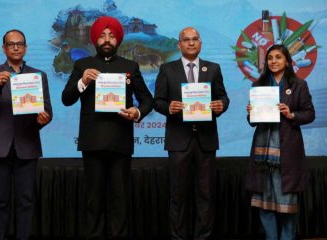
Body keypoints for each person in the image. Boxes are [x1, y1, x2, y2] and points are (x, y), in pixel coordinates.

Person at [61, 16, 153, 240]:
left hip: (120, 141)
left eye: (111, 35)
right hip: (93, 142)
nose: (107, 39)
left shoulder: (129, 66)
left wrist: (137, 112)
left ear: (118, 39)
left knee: (120, 199)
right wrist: (82, 81)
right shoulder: (82, 66)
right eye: (102, 35)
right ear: (95, 40)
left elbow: (147, 100)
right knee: (93, 199)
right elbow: (66, 99)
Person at [0, 29, 52, 240]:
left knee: (25, 201)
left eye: (20, 44)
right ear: (4, 48)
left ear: (25, 48)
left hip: (27, 146)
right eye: (11, 44)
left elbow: (47, 112)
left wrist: (43, 120)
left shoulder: (38, 76)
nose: (16, 47)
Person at [154, 27, 229, 240]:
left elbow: (224, 98)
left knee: (205, 194)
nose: (191, 43)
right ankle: (178, 237)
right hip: (179, 141)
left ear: (201, 43)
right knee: (178, 195)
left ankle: (202, 237)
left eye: (195, 39)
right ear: (179, 45)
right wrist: (169, 107)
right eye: (186, 40)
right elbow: (157, 101)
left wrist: (220, 105)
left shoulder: (213, 69)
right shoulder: (167, 69)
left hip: (206, 140)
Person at [245, 44, 315, 240]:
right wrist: (250, 112)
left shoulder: (299, 85)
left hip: (287, 152)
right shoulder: (258, 86)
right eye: (270, 58)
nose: (273, 61)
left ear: (287, 61)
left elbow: (310, 114)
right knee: (264, 203)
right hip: (262, 154)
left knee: (286, 205)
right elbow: (252, 122)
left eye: (278, 57)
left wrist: (290, 113)